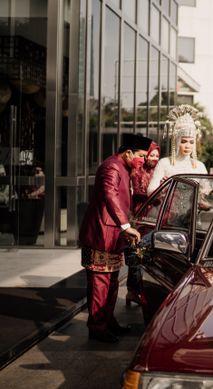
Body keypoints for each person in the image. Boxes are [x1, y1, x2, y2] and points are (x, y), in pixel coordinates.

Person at [79, 133, 152, 343]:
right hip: (101, 233)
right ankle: (97, 328)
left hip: (113, 235)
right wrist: (126, 225)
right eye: (140, 155)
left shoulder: (125, 168)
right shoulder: (111, 167)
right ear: (128, 152)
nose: (142, 160)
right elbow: (110, 195)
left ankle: (108, 322)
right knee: (100, 283)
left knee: (111, 283)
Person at [125, 141, 159, 307]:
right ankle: (133, 290)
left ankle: (139, 290)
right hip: (140, 217)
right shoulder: (138, 170)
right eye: (151, 155)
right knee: (136, 252)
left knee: (148, 255)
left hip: (156, 218)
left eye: (157, 156)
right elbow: (139, 191)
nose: (153, 158)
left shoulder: (159, 171)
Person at [147, 105, 207, 194]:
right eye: (184, 141)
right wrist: (163, 187)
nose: (187, 146)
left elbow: (206, 191)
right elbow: (150, 191)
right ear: (177, 141)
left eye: (191, 142)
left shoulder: (200, 166)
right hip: (168, 207)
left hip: (193, 207)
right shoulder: (164, 163)